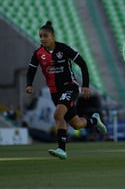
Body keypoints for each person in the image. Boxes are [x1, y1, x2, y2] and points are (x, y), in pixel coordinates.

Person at [26, 21, 107, 159]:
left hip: (70, 87)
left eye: (45, 36)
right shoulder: (38, 53)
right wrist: (29, 84)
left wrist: (85, 85)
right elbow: (31, 70)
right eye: (40, 36)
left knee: (58, 114)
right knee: (76, 124)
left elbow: (82, 64)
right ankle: (94, 120)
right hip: (54, 92)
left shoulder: (63, 49)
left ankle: (62, 149)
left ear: (53, 36)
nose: (42, 39)